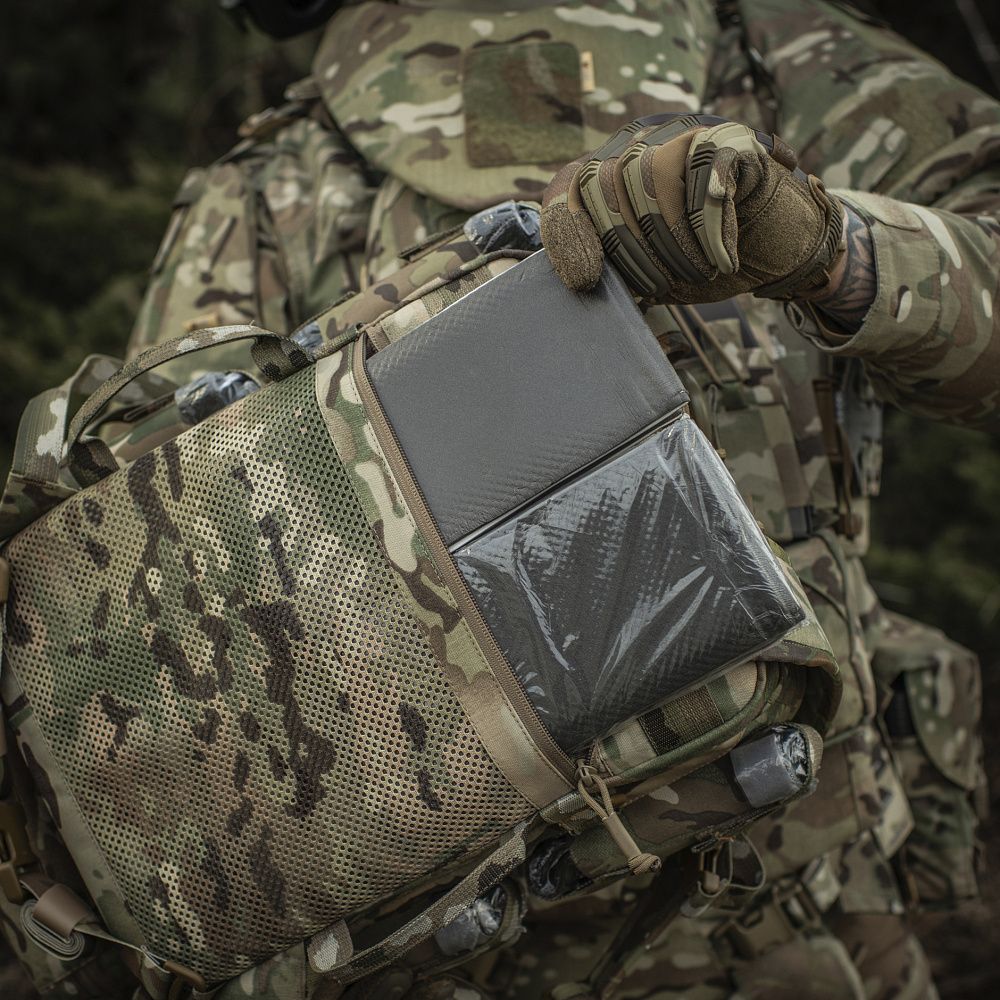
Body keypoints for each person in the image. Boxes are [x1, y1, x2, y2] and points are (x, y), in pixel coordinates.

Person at [4, 1, 997, 997]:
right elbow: (159, 597)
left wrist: (828, 251)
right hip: (438, 938)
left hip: (795, 909)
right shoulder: (273, 181)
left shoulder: (795, 63)